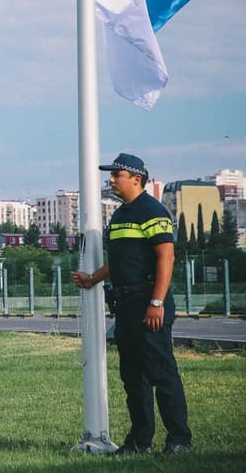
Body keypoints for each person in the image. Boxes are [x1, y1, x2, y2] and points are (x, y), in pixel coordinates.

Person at [72, 153, 192, 456]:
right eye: (111, 176)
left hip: (148, 302)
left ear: (136, 178)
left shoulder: (152, 211)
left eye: (116, 175)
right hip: (125, 304)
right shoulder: (121, 214)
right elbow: (120, 261)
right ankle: (140, 442)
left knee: (162, 373)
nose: (111, 180)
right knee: (133, 375)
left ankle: (179, 440)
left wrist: (157, 301)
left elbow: (166, 256)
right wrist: (92, 278)